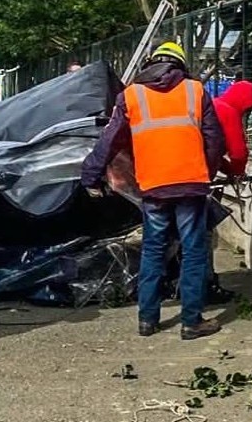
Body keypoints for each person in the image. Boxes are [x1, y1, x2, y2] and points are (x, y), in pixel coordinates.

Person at [81, 41, 225, 340]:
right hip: (190, 185)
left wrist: (91, 176)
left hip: (154, 187)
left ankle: (147, 320)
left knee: (153, 250)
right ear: (180, 64)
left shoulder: (131, 95)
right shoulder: (196, 91)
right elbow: (214, 140)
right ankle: (191, 322)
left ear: (150, 63)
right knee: (193, 251)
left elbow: (110, 140)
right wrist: (205, 174)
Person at [207, 80, 252, 301]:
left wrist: (227, 171)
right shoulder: (228, 111)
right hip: (197, 179)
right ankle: (206, 286)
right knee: (202, 234)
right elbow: (238, 151)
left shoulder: (212, 104)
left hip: (173, 176)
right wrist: (237, 172)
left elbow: (212, 151)